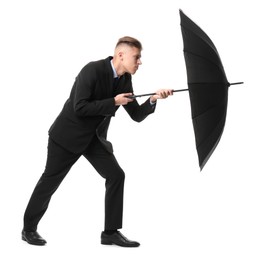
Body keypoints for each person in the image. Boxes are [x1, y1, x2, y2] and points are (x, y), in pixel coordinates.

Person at [22, 36, 173, 247]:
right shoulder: (91, 70)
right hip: (67, 136)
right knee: (50, 182)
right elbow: (80, 107)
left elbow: (136, 115)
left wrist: (154, 99)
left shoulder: (125, 79)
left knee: (116, 175)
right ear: (121, 55)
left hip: (93, 138)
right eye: (137, 57)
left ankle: (110, 232)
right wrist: (113, 101)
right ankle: (28, 229)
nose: (140, 62)